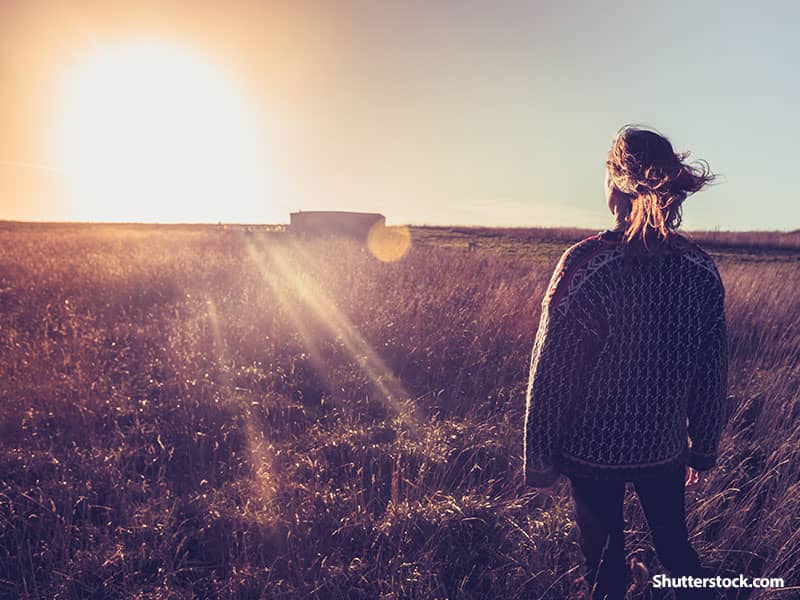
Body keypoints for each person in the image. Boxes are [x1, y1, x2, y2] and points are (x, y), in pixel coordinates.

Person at [523, 125, 729, 600]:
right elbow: (711, 370)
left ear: (616, 185)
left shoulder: (586, 264)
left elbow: (552, 373)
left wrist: (540, 461)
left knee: (604, 569)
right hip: (664, 448)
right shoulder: (699, 269)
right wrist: (703, 446)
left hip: (590, 454)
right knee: (677, 552)